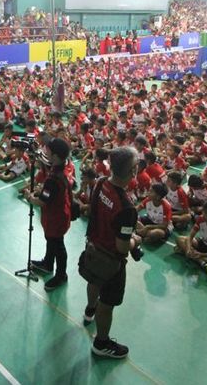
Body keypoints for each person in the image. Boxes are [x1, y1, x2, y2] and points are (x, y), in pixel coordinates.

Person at [81, 147, 140, 359]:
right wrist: (134, 239)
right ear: (133, 171)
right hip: (111, 262)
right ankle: (101, 342)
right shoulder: (127, 207)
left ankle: (89, 311)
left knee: (93, 282)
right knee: (106, 304)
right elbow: (122, 247)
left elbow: (92, 211)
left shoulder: (100, 183)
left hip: (92, 249)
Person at [24, 138, 73, 291]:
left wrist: (30, 198)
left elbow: (43, 202)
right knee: (50, 241)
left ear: (56, 155)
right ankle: (47, 263)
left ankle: (61, 275)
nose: (46, 152)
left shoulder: (53, 178)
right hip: (56, 215)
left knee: (58, 245)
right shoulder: (60, 169)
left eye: (49, 151)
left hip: (56, 218)